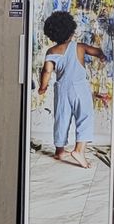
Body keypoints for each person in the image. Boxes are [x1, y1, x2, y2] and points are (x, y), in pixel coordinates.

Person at [36, 9, 106, 168]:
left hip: (61, 89)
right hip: (79, 87)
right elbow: (97, 52)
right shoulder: (79, 47)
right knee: (84, 117)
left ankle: (60, 151)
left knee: (61, 119)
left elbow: (46, 71)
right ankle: (79, 150)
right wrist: (102, 56)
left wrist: (42, 87)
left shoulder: (51, 51)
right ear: (71, 31)